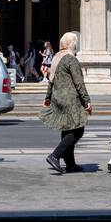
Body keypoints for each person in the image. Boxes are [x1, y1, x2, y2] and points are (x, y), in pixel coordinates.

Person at [40, 32, 92, 174]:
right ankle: (55, 155)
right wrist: (87, 100)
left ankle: (71, 164)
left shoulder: (57, 57)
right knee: (78, 130)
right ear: (72, 44)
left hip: (58, 99)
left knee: (67, 129)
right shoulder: (70, 59)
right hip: (70, 99)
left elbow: (50, 81)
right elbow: (78, 82)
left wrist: (47, 98)